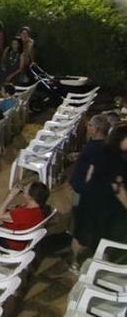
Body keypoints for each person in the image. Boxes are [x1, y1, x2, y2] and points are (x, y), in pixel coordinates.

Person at [70, 114, 115, 271]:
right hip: (108, 200)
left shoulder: (91, 149)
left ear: (95, 130)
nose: (87, 127)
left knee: (80, 232)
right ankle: (102, 265)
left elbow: (80, 178)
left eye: (89, 125)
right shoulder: (110, 147)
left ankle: (76, 263)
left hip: (88, 198)